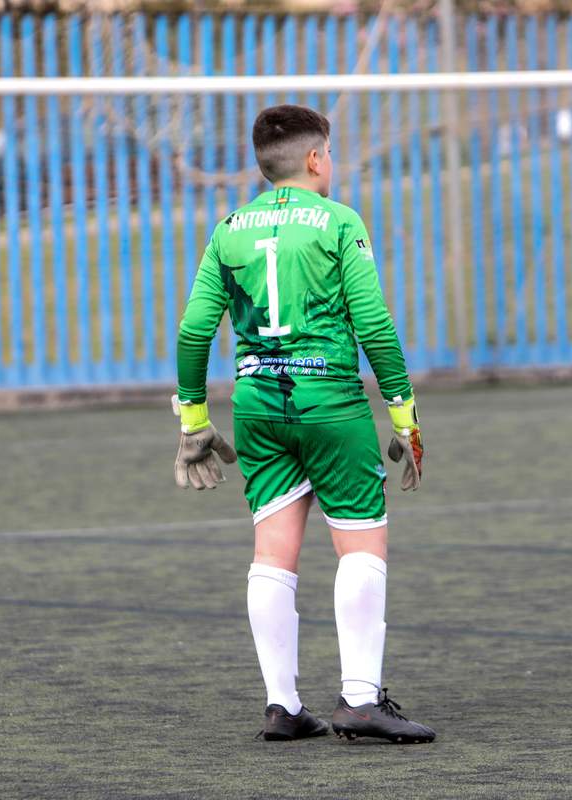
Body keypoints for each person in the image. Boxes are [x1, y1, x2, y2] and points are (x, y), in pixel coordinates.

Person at [173, 105, 434, 744]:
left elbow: (193, 330)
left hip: (259, 406)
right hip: (331, 405)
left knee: (273, 553)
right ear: (317, 159)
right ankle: (360, 700)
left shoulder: (229, 228)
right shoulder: (340, 222)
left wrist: (194, 420)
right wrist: (406, 417)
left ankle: (283, 706)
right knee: (361, 544)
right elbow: (373, 324)